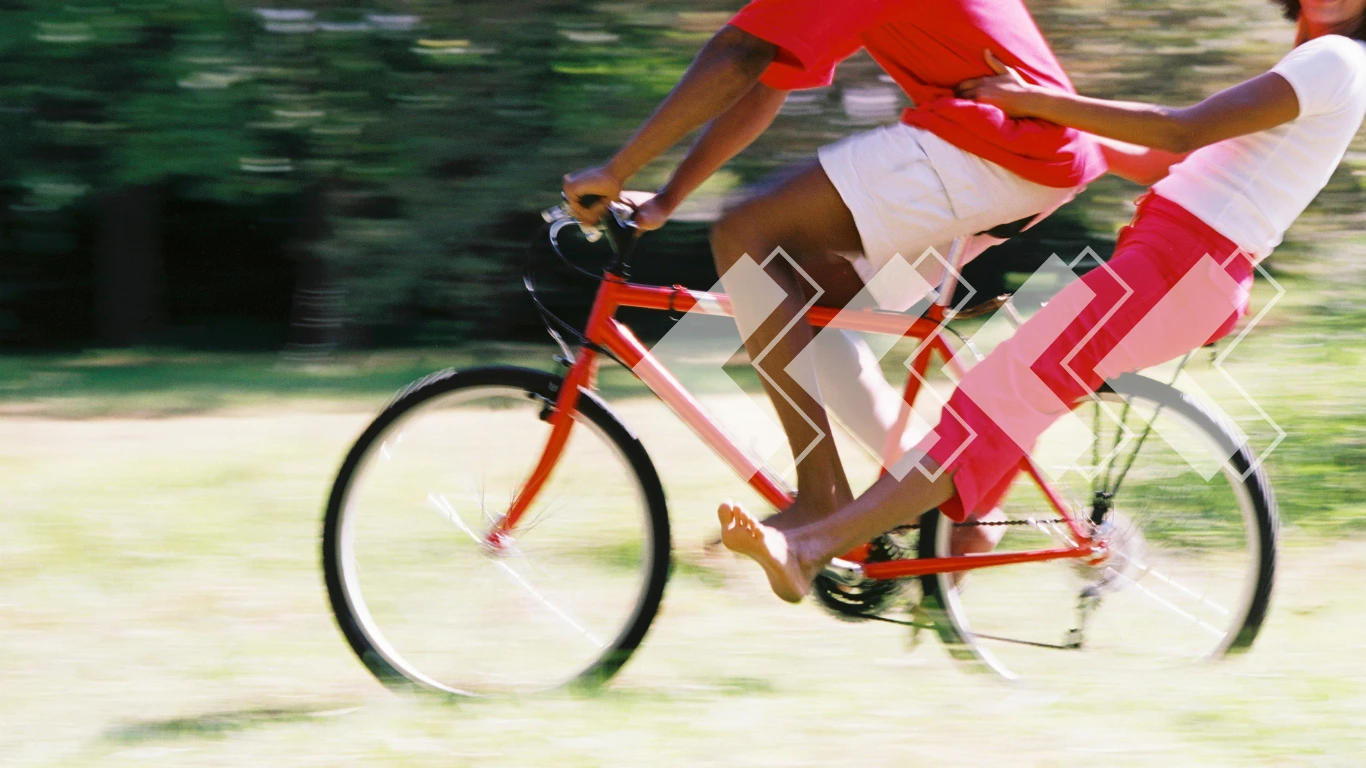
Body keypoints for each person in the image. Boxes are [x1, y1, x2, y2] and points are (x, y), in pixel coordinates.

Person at [718, 0, 1366, 602]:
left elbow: (1176, 132)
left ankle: (807, 547)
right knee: (1001, 395)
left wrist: (1037, 100)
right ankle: (955, 538)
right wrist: (1043, 124)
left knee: (993, 399)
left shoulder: (1335, 59)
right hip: (1176, 267)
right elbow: (1152, 162)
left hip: (1179, 269)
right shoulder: (1318, 66)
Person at [563, 0, 1105, 547]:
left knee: (744, 232)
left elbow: (738, 55)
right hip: (1033, 156)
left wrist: (615, 170)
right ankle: (948, 515)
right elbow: (764, 80)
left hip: (993, 146)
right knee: (805, 309)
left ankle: (821, 500)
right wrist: (668, 197)